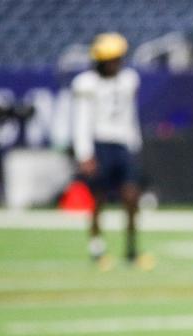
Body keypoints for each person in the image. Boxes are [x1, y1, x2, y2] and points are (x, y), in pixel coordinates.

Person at [71, 32, 150, 270]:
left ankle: (131, 249)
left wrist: (134, 142)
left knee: (131, 196)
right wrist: (84, 153)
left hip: (122, 144)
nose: (115, 63)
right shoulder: (87, 83)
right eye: (110, 59)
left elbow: (130, 114)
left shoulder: (128, 79)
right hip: (100, 143)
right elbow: (82, 119)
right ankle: (97, 247)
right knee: (99, 198)